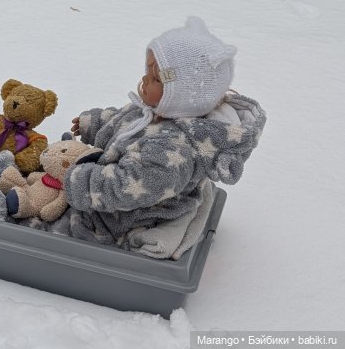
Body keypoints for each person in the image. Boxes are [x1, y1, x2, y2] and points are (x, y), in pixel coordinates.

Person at [60, 16, 266, 250]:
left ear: (181, 95)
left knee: (54, 226)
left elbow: (128, 187)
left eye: (156, 78)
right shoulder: (160, 111)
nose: (145, 80)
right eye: (147, 71)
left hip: (127, 218)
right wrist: (97, 123)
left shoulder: (169, 151)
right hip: (103, 188)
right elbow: (131, 124)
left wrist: (79, 181)